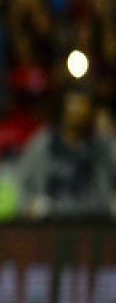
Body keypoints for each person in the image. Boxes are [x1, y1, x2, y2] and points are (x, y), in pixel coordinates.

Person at [17, 86, 116, 219]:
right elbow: (21, 182)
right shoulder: (45, 143)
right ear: (63, 109)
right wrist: (27, 204)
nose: (77, 111)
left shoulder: (102, 146)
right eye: (73, 104)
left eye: (83, 105)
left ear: (92, 111)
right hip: (52, 223)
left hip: (96, 222)